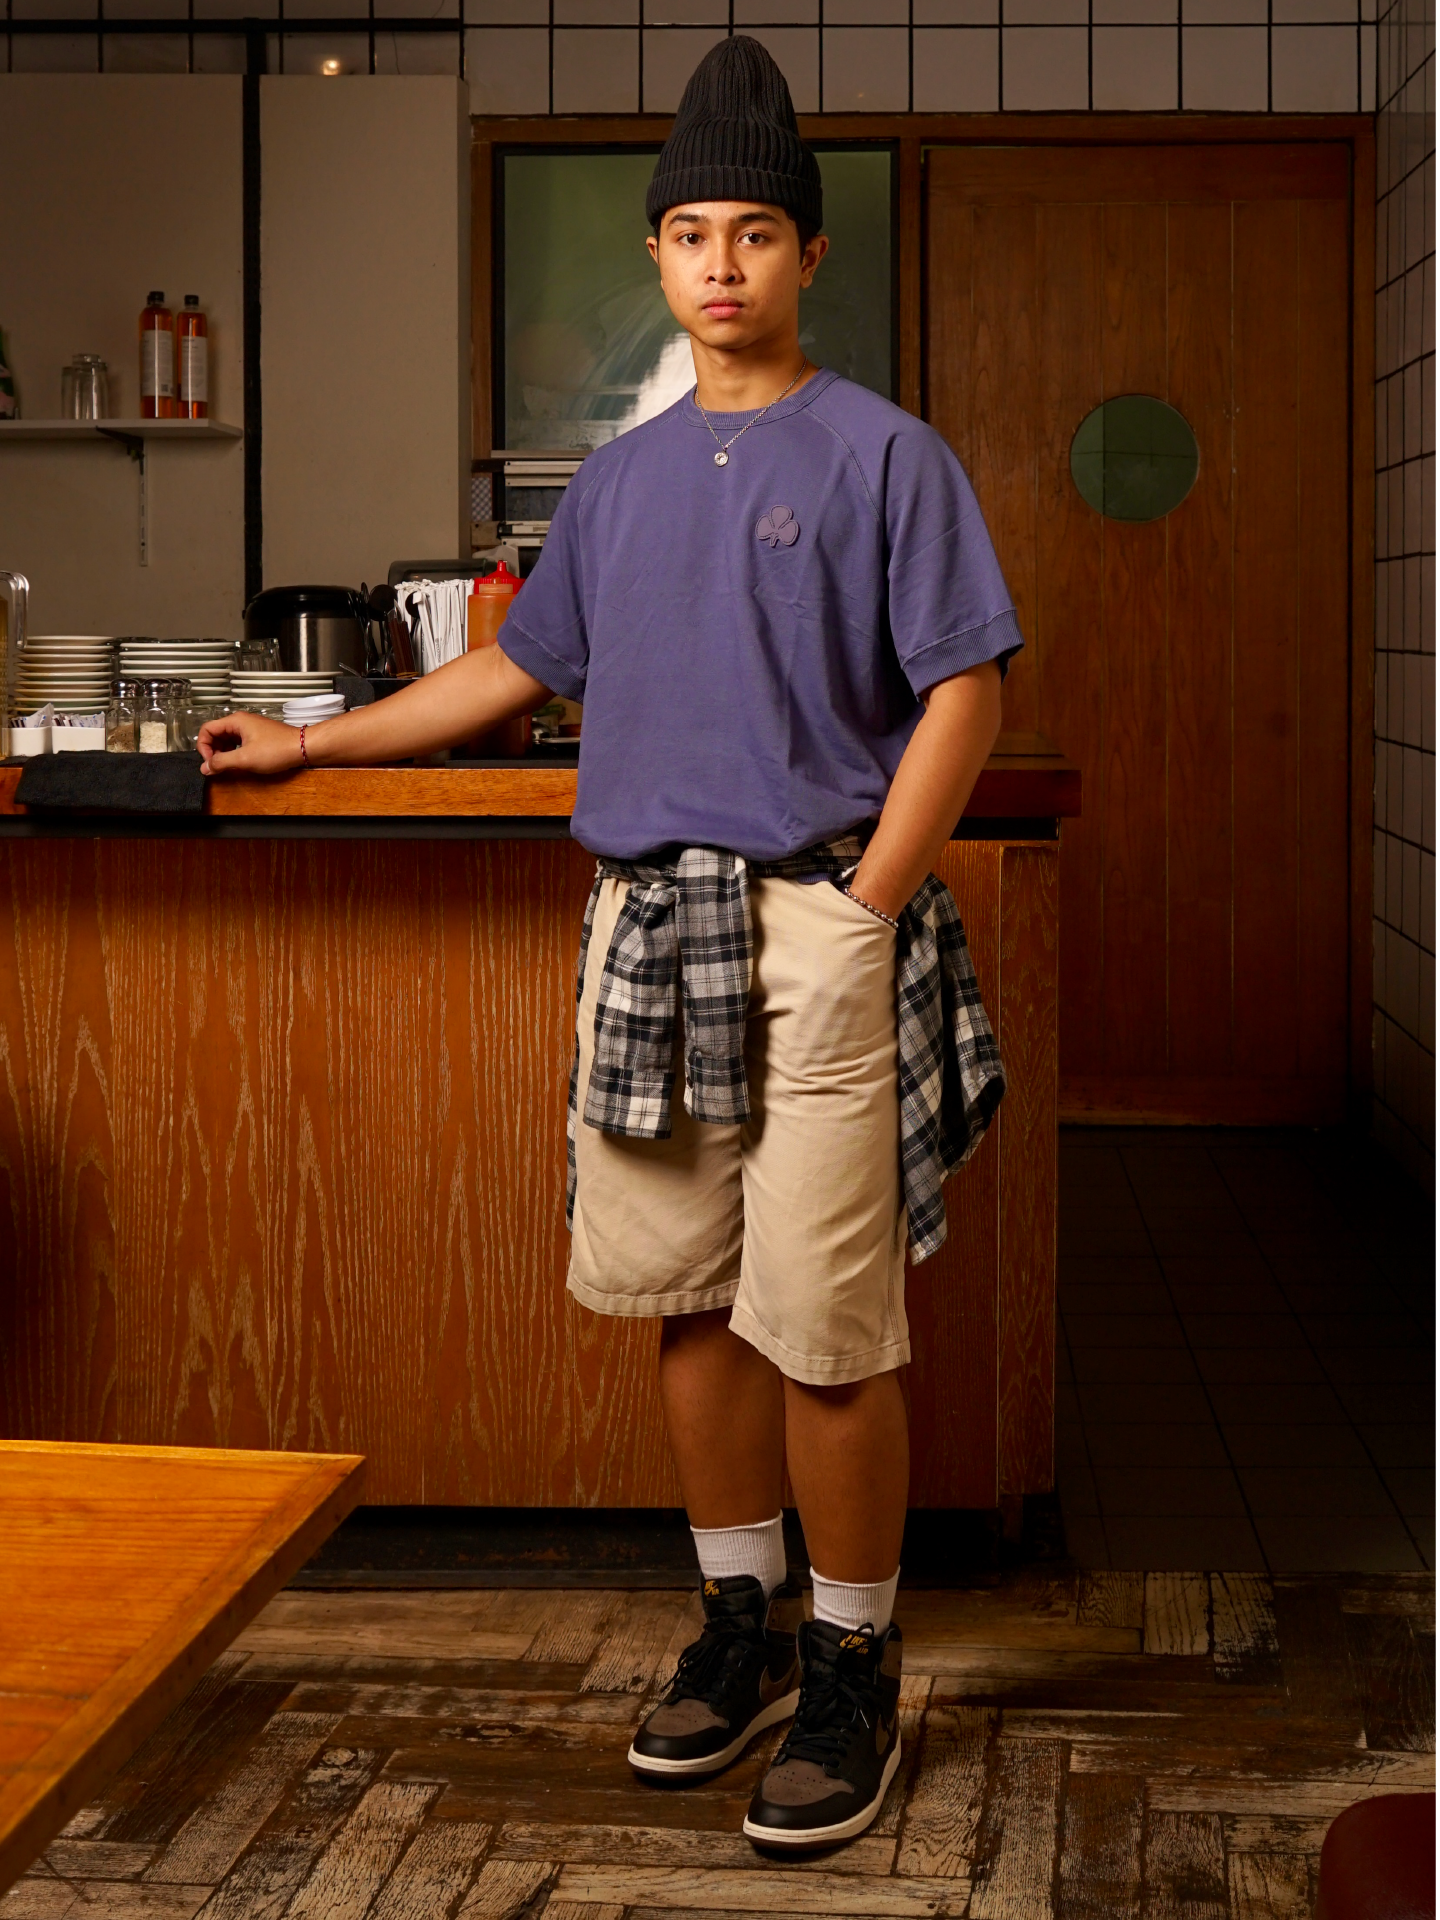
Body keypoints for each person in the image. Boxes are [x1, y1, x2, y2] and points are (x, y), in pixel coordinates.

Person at [200, 34, 1020, 1853]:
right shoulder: (623, 483)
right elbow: (514, 668)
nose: (722, 262)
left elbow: (963, 692)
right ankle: (737, 1626)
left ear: (809, 257)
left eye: (755, 232)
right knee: (689, 1310)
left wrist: (869, 902)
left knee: (828, 1335)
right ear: (656, 262)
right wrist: (316, 738)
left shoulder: (890, 453)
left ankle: (854, 1663)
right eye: (690, 234)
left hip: (817, 925)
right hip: (649, 932)